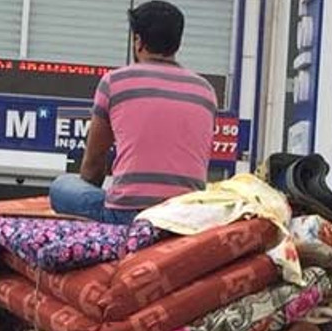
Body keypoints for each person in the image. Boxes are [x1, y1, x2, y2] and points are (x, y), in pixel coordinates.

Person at [49, 1, 217, 224]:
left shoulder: (115, 82)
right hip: (185, 216)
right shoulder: (205, 91)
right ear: (177, 43)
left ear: (138, 41)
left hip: (127, 215)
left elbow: (93, 164)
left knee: (62, 186)